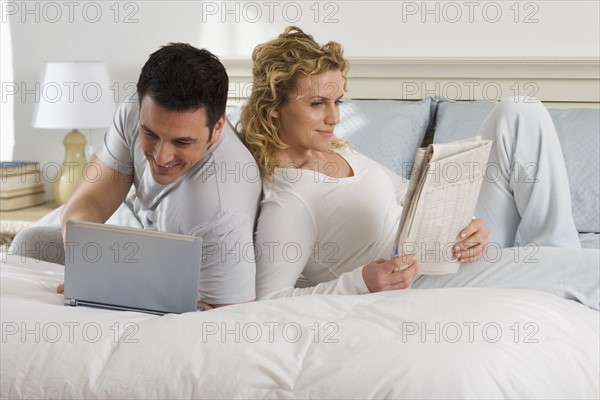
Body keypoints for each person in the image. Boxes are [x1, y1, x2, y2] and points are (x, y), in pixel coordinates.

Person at [238, 26, 599, 309]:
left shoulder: (337, 150)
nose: (334, 117)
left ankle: (554, 251)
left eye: (337, 101)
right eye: (318, 103)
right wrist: (361, 282)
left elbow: (410, 195)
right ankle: (560, 266)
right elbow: (269, 302)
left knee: (519, 111)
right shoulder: (289, 198)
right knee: (591, 272)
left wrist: (468, 225)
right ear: (274, 109)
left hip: (447, 244)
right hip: (424, 278)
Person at [13, 43, 262, 308]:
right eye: (151, 134)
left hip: (196, 276)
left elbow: (225, 317)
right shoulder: (135, 111)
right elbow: (86, 205)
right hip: (142, 240)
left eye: (182, 142)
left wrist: (115, 289)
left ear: (217, 127)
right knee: (31, 242)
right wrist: (96, 272)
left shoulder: (223, 207)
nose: (161, 156)